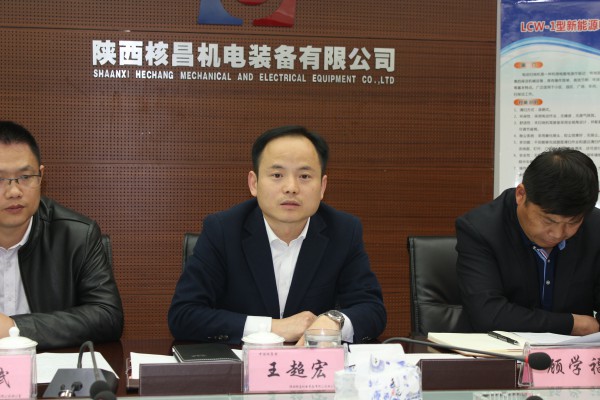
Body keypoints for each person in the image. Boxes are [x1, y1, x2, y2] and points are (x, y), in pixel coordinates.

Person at [168, 125, 386, 345]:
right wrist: (273, 328)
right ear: (254, 183)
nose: (291, 187)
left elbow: (372, 311)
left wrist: (335, 321)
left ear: (322, 187)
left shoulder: (343, 231)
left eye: (304, 176)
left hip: (312, 365)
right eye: (277, 175)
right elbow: (184, 315)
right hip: (243, 364)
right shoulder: (223, 230)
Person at [0, 121, 124, 349]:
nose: (14, 191)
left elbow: (107, 316)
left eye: (25, 177)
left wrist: (15, 328)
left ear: (40, 176)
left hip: (48, 369)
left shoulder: (77, 236)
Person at [456, 147, 600, 335]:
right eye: (549, 221)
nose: (558, 234)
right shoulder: (480, 230)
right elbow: (488, 315)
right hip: (495, 350)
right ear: (521, 194)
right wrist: (572, 324)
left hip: (575, 352)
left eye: (573, 222)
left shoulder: (595, 227)